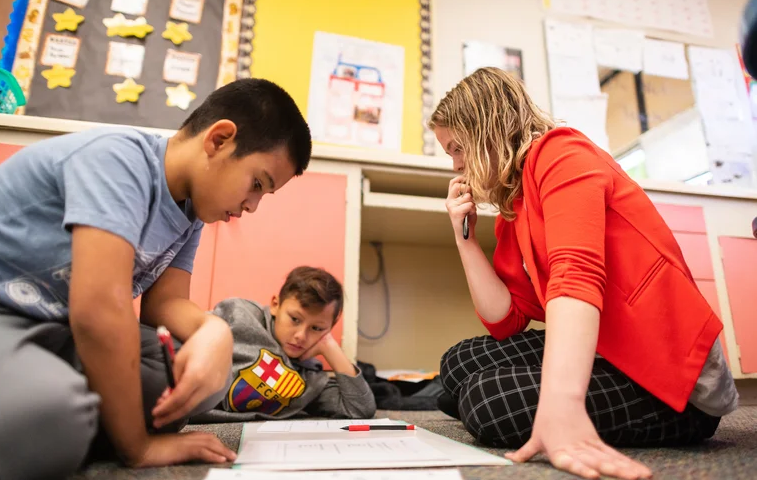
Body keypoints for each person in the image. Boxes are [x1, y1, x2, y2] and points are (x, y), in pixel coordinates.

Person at [0, 78, 312, 480]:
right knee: (58, 419)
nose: (252, 206)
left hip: (60, 330)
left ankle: (60, 412)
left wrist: (215, 332)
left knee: (201, 377)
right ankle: (70, 419)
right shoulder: (118, 159)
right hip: (4, 314)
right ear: (219, 140)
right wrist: (138, 447)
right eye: (257, 184)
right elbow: (99, 313)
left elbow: (163, 306)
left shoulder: (191, 214)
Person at [431, 67, 738, 480]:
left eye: (457, 148)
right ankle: (554, 400)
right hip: (607, 348)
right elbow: (506, 319)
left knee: (485, 401)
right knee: (457, 364)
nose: (456, 166)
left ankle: (569, 409)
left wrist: (564, 404)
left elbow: (576, 275)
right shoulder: (515, 205)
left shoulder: (562, 153)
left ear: (485, 131)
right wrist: (463, 238)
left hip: (673, 379)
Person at [201, 266, 376, 421]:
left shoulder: (309, 380)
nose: (301, 336)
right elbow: (183, 337)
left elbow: (360, 409)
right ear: (275, 305)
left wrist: (330, 346)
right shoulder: (241, 315)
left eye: (316, 328)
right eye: (294, 319)